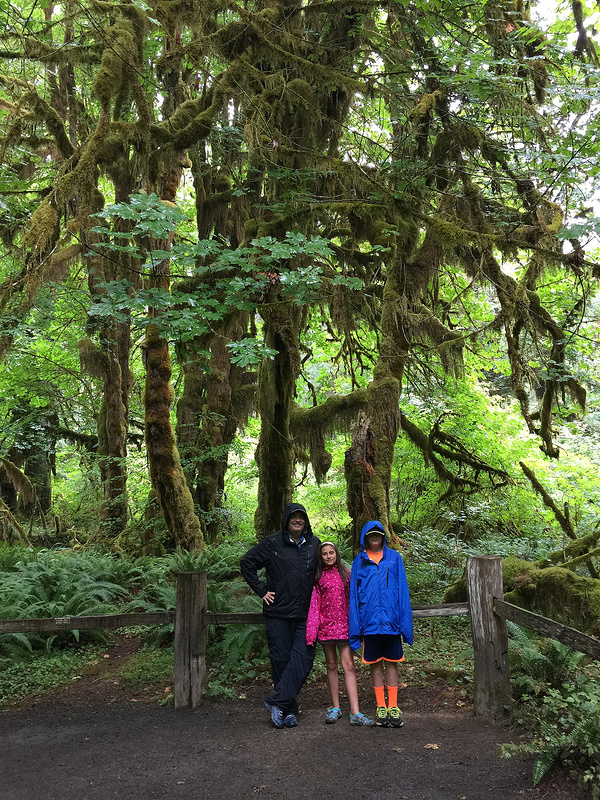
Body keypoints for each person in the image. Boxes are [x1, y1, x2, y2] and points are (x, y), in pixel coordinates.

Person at [240, 502, 320, 729]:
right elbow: (247, 563)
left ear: (305, 521)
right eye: (293, 517)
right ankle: (288, 710)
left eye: (301, 517)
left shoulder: (314, 544)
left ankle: (276, 701)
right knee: (281, 660)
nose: (298, 520)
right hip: (278, 612)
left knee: (303, 660)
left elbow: (328, 567)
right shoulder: (272, 543)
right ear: (286, 520)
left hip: (306, 614)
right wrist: (262, 590)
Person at [349, 520, 413, 728]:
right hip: (369, 623)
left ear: (383, 537)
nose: (374, 538)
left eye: (378, 534)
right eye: (371, 535)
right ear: (365, 538)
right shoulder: (359, 561)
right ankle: (380, 707)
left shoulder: (394, 559)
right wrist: (356, 627)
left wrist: (404, 623)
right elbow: (354, 597)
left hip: (391, 621)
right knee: (375, 663)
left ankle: (393, 706)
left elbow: (403, 591)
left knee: (392, 662)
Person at [306, 540, 374, 726]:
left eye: (331, 553)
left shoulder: (346, 574)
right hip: (326, 627)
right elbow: (314, 605)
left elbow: (357, 598)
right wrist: (312, 631)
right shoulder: (318, 577)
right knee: (331, 664)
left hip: (345, 626)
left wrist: (360, 624)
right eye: (325, 554)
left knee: (349, 666)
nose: (328, 556)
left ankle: (355, 712)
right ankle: (335, 707)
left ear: (336, 554)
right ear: (320, 557)